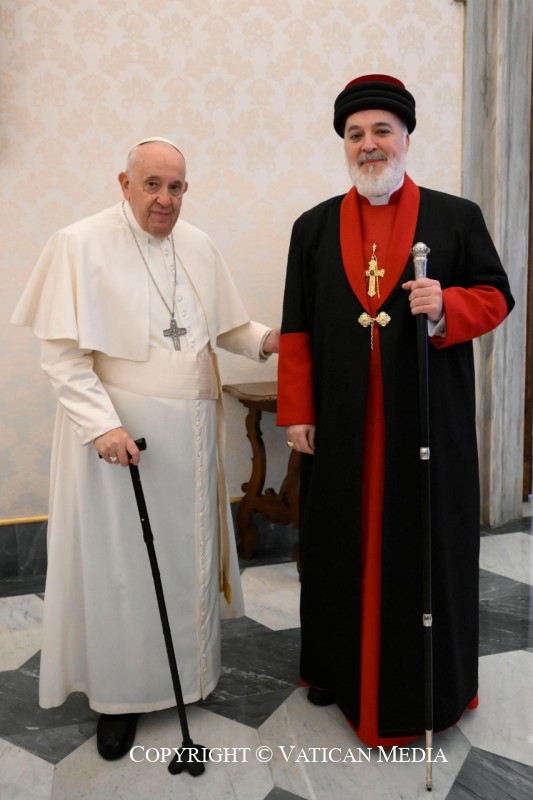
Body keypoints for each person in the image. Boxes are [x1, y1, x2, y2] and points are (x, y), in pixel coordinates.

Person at [11, 137, 279, 759]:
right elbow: (63, 356)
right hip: (121, 440)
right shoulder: (80, 244)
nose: (165, 199)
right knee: (123, 572)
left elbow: (228, 326)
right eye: (153, 184)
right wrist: (102, 426)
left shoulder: (199, 246)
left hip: (190, 439)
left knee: (187, 561)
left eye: (177, 187)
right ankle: (121, 699)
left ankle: (192, 678)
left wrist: (274, 342)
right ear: (124, 183)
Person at [276, 74, 514, 747]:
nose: (368, 145)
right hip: (344, 423)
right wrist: (296, 408)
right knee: (334, 547)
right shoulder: (313, 226)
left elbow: (496, 296)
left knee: (425, 545)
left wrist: (446, 306)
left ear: (406, 137)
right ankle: (333, 668)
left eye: (381, 130)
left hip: (424, 422)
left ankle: (430, 685)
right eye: (355, 134)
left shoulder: (454, 216)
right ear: (343, 144)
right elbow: (296, 327)